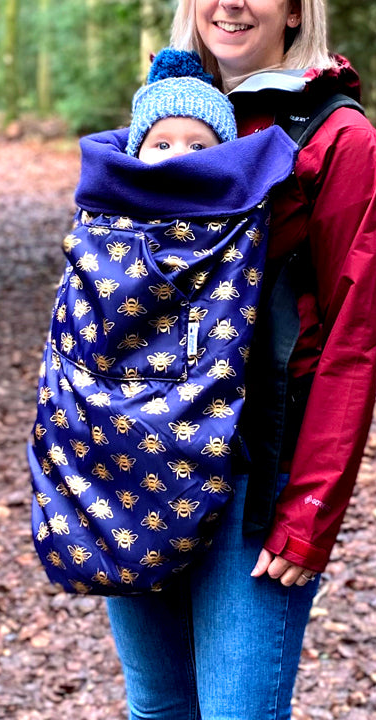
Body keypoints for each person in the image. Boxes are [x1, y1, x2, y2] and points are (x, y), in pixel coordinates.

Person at [104, 0, 376, 720]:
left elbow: (352, 346)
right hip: (143, 462)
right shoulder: (163, 127)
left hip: (250, 486)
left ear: (295, 4)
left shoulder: (344, 147)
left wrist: (309, 515)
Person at [28, 48, 298, 595]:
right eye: (162, 144)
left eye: (200, 146)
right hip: (100, 433)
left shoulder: (238, 218)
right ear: (136, 149)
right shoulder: (102, 211)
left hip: (193, 437)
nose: (179, 157)